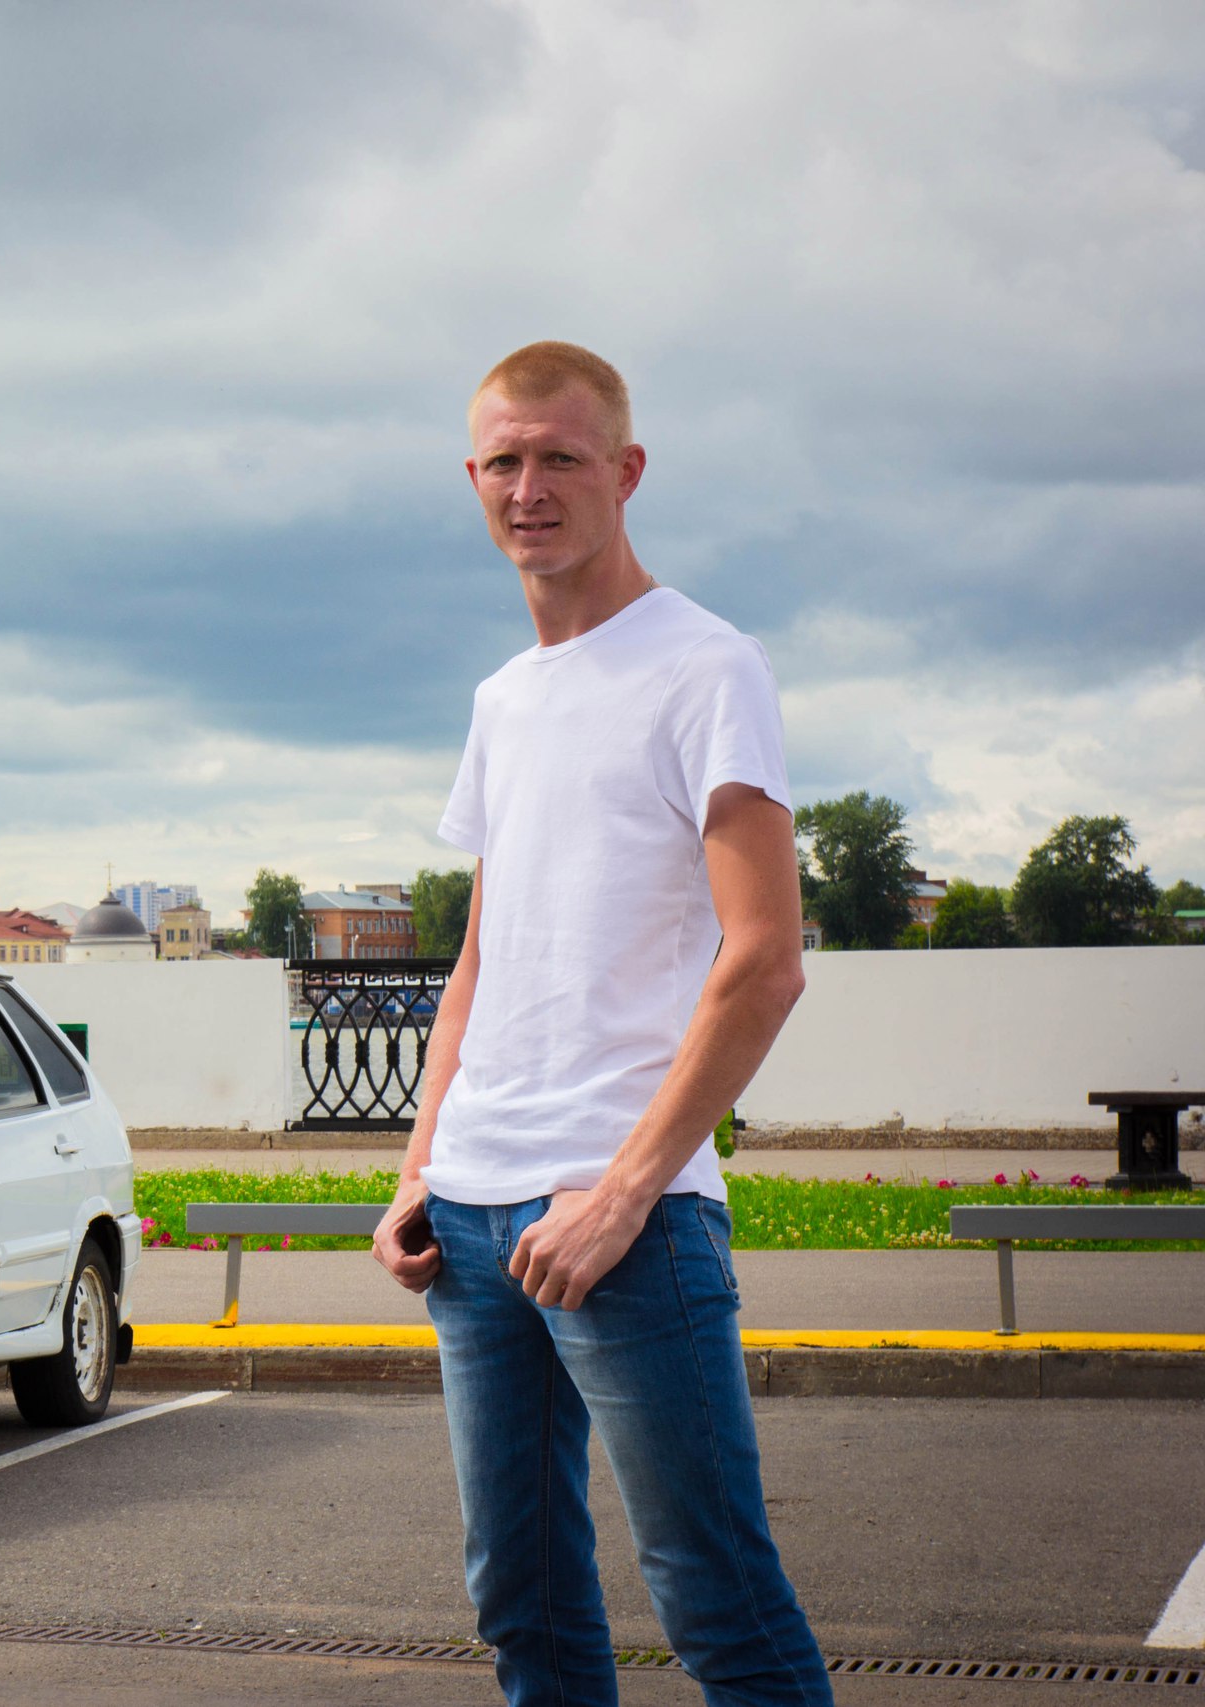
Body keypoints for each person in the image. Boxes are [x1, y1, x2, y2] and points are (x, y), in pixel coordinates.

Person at [371, 342, 831, 1704]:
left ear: (624, 472)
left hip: (622, 1220)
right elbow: (479, 962)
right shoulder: (503, 702)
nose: (530, 487)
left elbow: (765, 960)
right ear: (474, 479)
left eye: (560, 456)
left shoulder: (705, 666)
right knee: (520, 1602)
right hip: (469, 1215)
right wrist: (416, 1172)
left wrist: (624, 1193)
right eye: (504, 461)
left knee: (716, 1604)